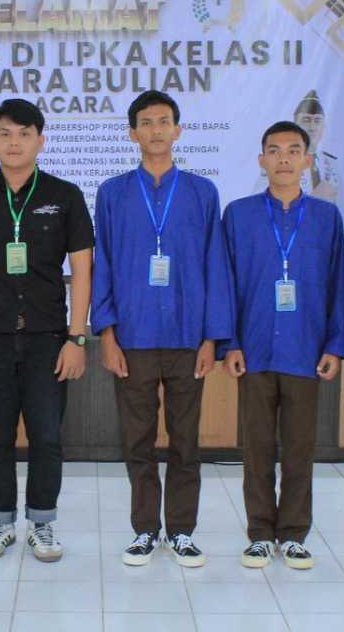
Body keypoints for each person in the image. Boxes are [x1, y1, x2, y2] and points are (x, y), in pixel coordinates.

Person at [0, 98, 93, 563]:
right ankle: (0, 522)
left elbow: (82, 271)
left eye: (25, 134)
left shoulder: (64, 195)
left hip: (48, 338)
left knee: (46, 436)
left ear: (40, 141)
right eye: (5, 133)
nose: (14, 142)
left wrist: (77, 337)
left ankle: (42, 523)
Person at [91, 90, 233, 568]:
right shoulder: (112, 192)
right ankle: (145, 530)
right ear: (132, 133)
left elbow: (215, 265)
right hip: (132, 338)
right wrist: (106, 333)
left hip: (188, 338)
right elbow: (104, 264)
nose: (156, 130)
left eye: (164, 121)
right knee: (138, 441)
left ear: (178, 130)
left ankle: (183, 531)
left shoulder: (201, 192)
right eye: (147, 122)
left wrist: (212, 338)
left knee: (185, 441)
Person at [221, 121, 344, 570]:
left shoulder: (325, 217)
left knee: (299, 449)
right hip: (254, 349)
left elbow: (336, 284)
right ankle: (260, 533)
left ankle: (294, 533)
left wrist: (334, 344)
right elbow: (226, 284)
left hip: (305, 349)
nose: (283, 159)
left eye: (293, 150)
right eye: (274, 150)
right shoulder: (238, 215)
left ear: (307, 160)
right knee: (257, 448)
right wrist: (230, 343)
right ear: (261, 160)